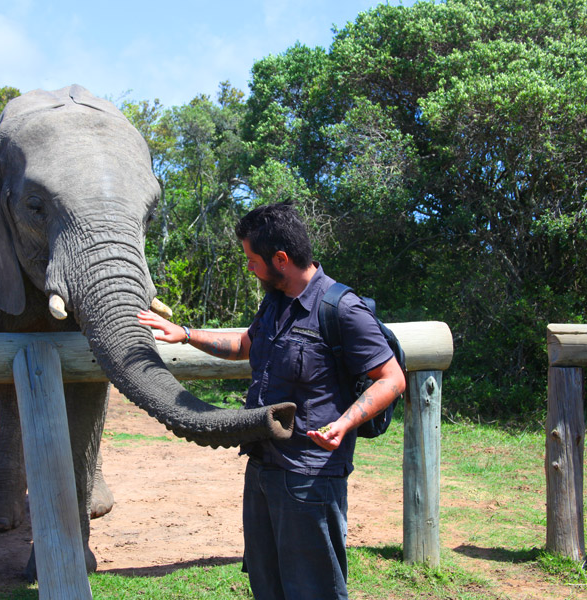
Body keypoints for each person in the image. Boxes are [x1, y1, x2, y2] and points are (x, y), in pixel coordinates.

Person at [137, 201, 405, 600]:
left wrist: (346, 423)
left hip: (309, 477)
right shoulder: (276, 301)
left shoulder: (342, 309)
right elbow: (245, 344)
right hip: (263, 468)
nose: (249, 267)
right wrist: (187, 334)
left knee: (313, 590)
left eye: (252, 259)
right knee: (268, 586)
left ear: (281, 258)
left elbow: (392, 378)